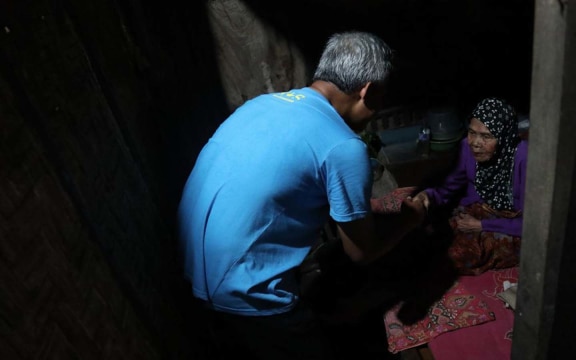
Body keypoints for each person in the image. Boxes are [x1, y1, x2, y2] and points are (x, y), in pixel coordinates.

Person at [176, 31, 425, 359]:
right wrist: (411, 218)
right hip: (245, 295)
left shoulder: (260, 105)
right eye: (381, 100)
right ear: (368, 91)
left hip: (189, 271)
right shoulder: (343, 147)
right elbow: (361, 253)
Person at [413, 97, 528, 275]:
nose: (475, 142)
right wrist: (426, 196)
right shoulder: (466, 148)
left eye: (486, 136)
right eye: (472, 132)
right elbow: (449, 186)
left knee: (459, 255)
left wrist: (482, 225)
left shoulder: (524, 160)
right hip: (478, 209)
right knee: (427, 235)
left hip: (513, 224)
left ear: (504, 137)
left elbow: (532, 222)